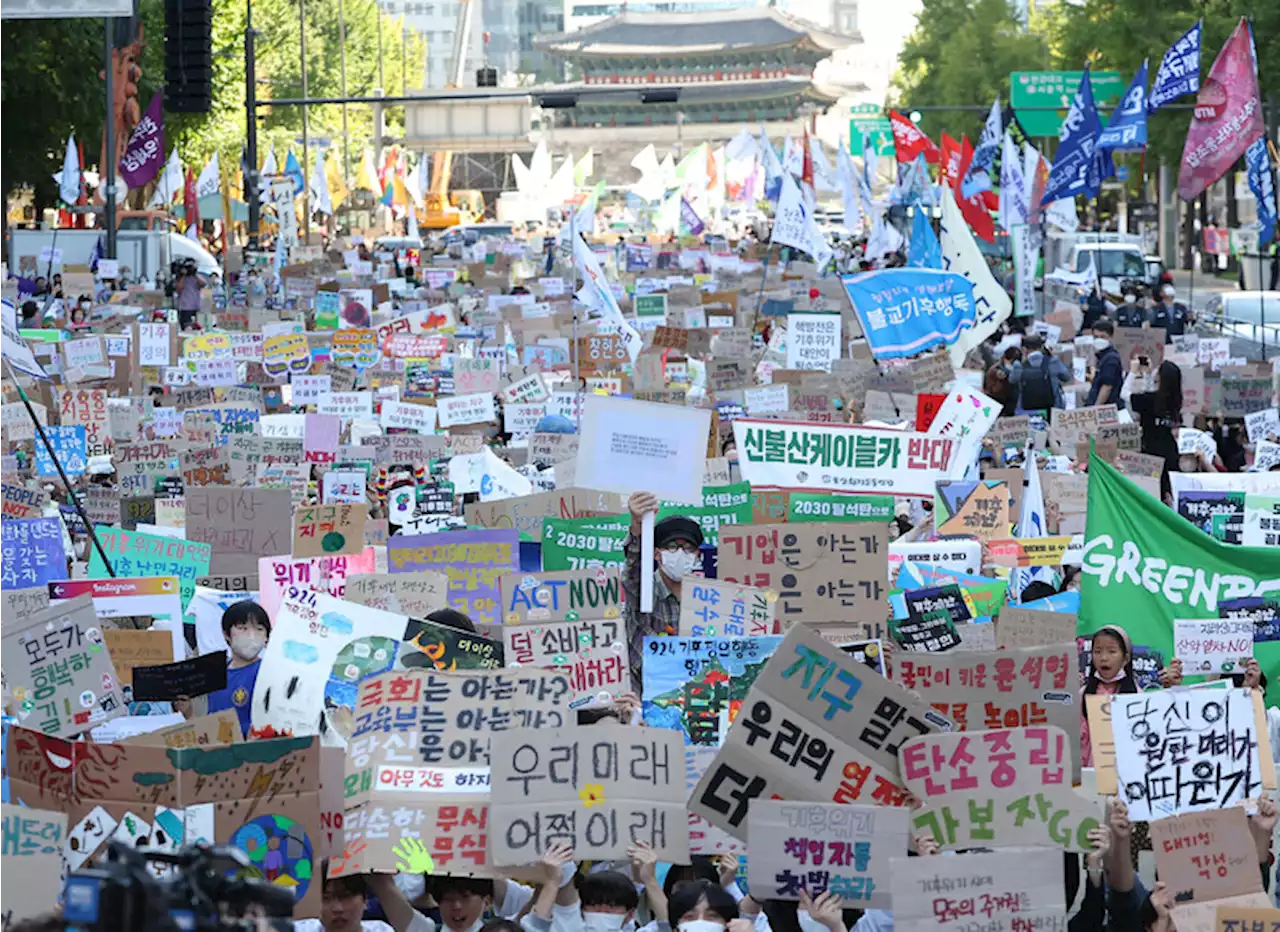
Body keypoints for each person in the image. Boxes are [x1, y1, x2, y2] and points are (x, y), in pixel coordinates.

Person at [623, 492, 705, 690]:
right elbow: (634, 567)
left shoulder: (707, 600)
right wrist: (637, 525)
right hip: (648, 700)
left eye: (688, 548)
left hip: (695, 697)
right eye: (672, 547)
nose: (680, 553)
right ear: (658, 554)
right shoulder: (643, 591)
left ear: (697, 556)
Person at [204, 600, 270, 737]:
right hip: (216, 752)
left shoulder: (268, 672)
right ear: (226, 634)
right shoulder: (216, 672)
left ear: (266, 638)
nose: (251, 636)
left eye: (259, 629)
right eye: (242, 628)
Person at [1080, 625, 1137, 766]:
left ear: (1125, 658)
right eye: (1097, 652)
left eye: (1112, 651)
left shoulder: (1138, 697)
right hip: (1090, 776)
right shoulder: (1081, 695)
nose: (1104, 658)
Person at [1129, 360, 1181, 498]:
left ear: (1160, 377)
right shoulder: (1175, 401)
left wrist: (1133, 372)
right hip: (1170, 453)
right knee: (1169, 493)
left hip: (1151, 455)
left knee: (1154, 495)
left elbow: (1125, 394)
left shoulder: (1150, 400)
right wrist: (1148, 376)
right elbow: (1150, 391)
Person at [1009, 335, 1071, 412]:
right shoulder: (1053, 361)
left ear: (1024, 349)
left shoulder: (1018, 366)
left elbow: (1012, 380)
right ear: (1041, 347)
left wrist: (1022, 360)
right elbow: (1066, 377)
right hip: (1053, 408)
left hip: (1028, 409)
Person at [1084, 319, 1125, 410]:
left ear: (1110, 337)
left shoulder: (1111, 359)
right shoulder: (1102, 356)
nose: (1099, 340)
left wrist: (1096, 408)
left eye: (1103, 337)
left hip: (1107, 407)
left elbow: (1107, 386)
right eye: (1096, 337)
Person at [984, 346, 1022, 417]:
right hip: (998, 402)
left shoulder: (1016, 369)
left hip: (1010, 403)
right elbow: (993, 389)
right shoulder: (996, 370)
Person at [174, 259, 206, 330]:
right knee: (186, 328)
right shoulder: (180, 278)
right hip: (185, 307)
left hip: (196, 306)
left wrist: (194, 274)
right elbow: (179, 288)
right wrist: (183, 275)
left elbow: (203, 284)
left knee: (197, 328)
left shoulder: (197, 277)